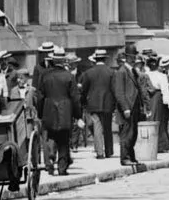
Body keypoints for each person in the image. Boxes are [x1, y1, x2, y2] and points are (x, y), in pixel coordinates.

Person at [34, 48, 78, 177]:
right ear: (63, 61)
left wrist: (40, 112)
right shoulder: (69, 76)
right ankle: (62, 167)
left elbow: (40, 96)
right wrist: (77, 114)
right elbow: (75, 97)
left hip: (49, 108)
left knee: (50, 135)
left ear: (52, 60)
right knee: (64, 139)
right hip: (65, 109)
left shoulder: (45, 76)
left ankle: (50, 159)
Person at [80, 43, 119, 159]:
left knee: (97, 127)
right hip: (108, 103)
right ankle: (109, 150)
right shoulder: (111, 72)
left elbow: (84, 90)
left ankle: (100, 152)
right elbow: (114, 89)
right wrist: (115, 103)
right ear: (105, 59)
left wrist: (83, 102)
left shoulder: (88, 73)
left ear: (95, 59)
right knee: (107, 127)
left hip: (93, 103)